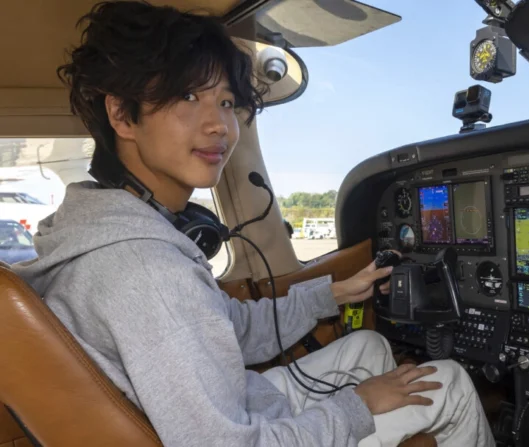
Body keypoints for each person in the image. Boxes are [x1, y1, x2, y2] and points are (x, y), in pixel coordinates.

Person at [11, 2, 495, 446]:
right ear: (121, 114)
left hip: (235, 406)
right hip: (241, 433)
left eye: (225, 102)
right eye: (186, 95)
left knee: (366, 345)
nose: (219, 125)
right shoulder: (147, 270)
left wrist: (333, 294)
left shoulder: (113, 227)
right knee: (448, 381)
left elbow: (228, 331)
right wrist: (357, 407)